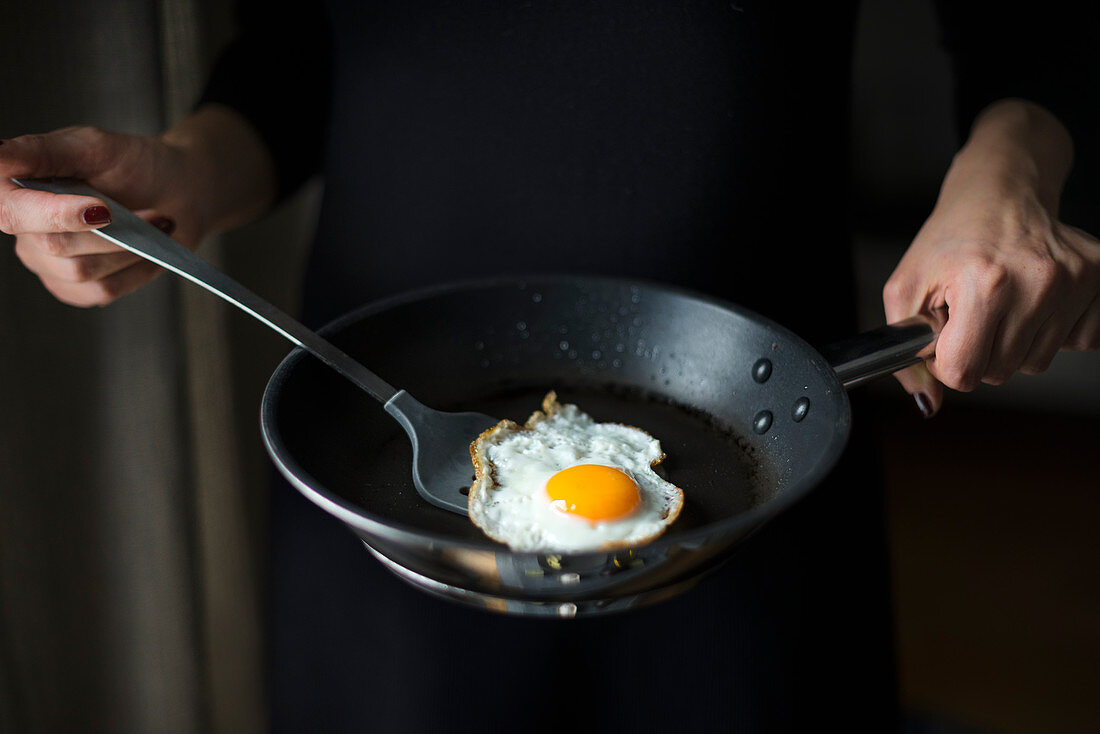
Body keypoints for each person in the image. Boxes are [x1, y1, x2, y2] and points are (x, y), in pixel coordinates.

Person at [2, 2, 1097, 731]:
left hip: (755, 423)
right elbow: (300, 41)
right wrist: (187, 168)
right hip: (379, 449)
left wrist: (1009, 166)